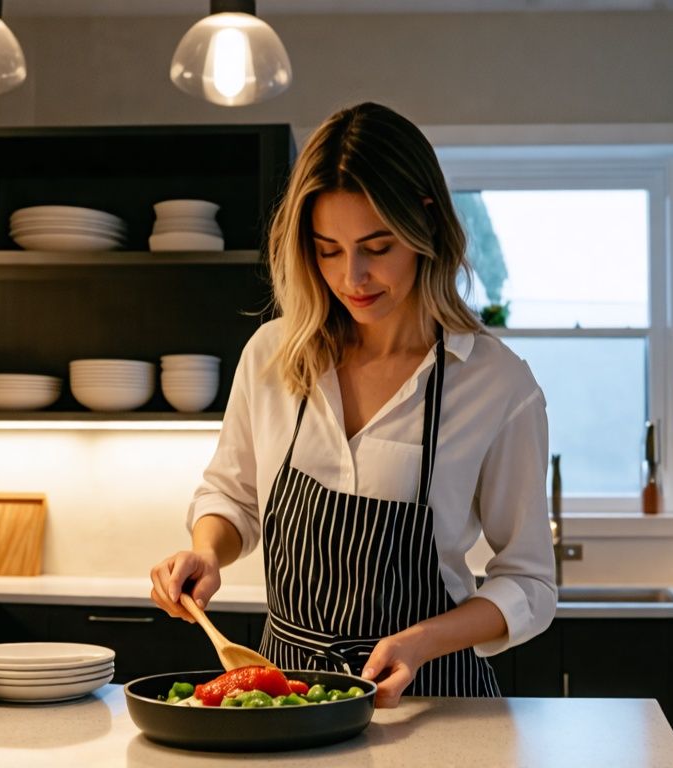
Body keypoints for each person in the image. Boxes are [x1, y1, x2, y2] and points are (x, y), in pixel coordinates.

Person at [149, 102, 556, 708]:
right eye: (328, 249)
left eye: (377, 246)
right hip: (284, 701)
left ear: (425, 228)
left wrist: (422, 641)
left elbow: (530, 583)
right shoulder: (271, 355)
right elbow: (233, 498)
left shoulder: (497, 385)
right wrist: (207, 551)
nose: (353, 277)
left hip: (428, 703)